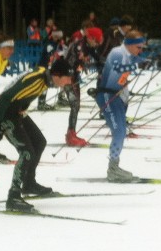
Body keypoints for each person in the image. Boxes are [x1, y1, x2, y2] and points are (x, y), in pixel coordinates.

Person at [0, 58, 75, 212]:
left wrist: (24, 106)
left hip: (16, 111)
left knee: (39, 142)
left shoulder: (44, 78)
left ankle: (28, 183)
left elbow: (25, 94)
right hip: (6, 113)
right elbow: (5, 97)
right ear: (56, 75)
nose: (69, 81)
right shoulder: (36, 79)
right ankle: (13, 196)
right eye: (67, 77)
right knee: (26, 152)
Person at [95, 29, 149, 181]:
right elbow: (119, 68)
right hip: (107, 95)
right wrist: (139, 64)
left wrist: (148, 60)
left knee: (121, 131)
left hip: (116, 96)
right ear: (130, 45)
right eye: (139, 47)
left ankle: (114, 167)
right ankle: (113, 170)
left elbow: (135, 62)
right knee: (119, 131)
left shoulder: (129, 54)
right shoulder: (117, 52)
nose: (140, 50)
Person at [59, 25, 104, 146]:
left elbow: (97, 58)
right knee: (75, 104)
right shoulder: (79, 46)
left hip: (74, 77)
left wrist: (102, 65)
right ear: (91, 38)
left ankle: (71, 132)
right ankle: (70, 135)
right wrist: (85, 64)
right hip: (66, 76)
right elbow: (76, 62)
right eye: (96, 41)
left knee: (76, 105)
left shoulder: (87, 46)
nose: (97, 44)